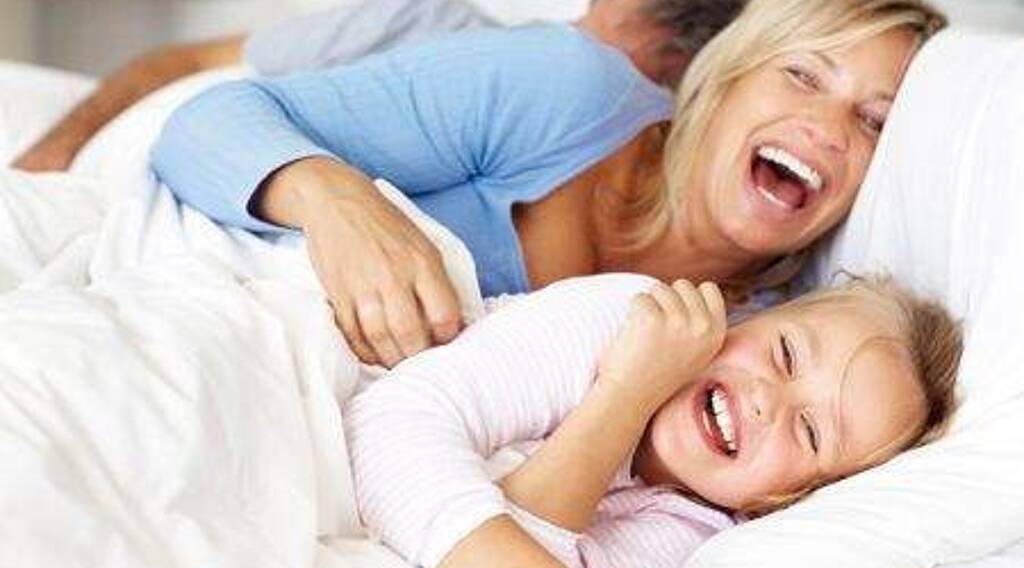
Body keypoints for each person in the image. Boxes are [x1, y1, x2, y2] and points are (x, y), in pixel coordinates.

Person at [150, 0, 946, 368]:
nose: (827, 128)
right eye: (802, 75)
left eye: (874, 122)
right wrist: (337, 201)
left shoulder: (765, 338)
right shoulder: (568, 87)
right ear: (723, 79)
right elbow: (204, 122)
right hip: (196, 312)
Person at [344, 273, 963, 568]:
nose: (765, 403)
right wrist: (627, 391)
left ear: (787, 499)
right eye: (785, 354)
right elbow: (388, 424)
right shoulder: (632, 318)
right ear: (743, 317)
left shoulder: (697, 537)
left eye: (810, 433)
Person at [12, 0, 739, 172]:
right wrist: (48, 160)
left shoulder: (653, 172)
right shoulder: (429, 21)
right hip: (142, 170)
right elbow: (183, 64)